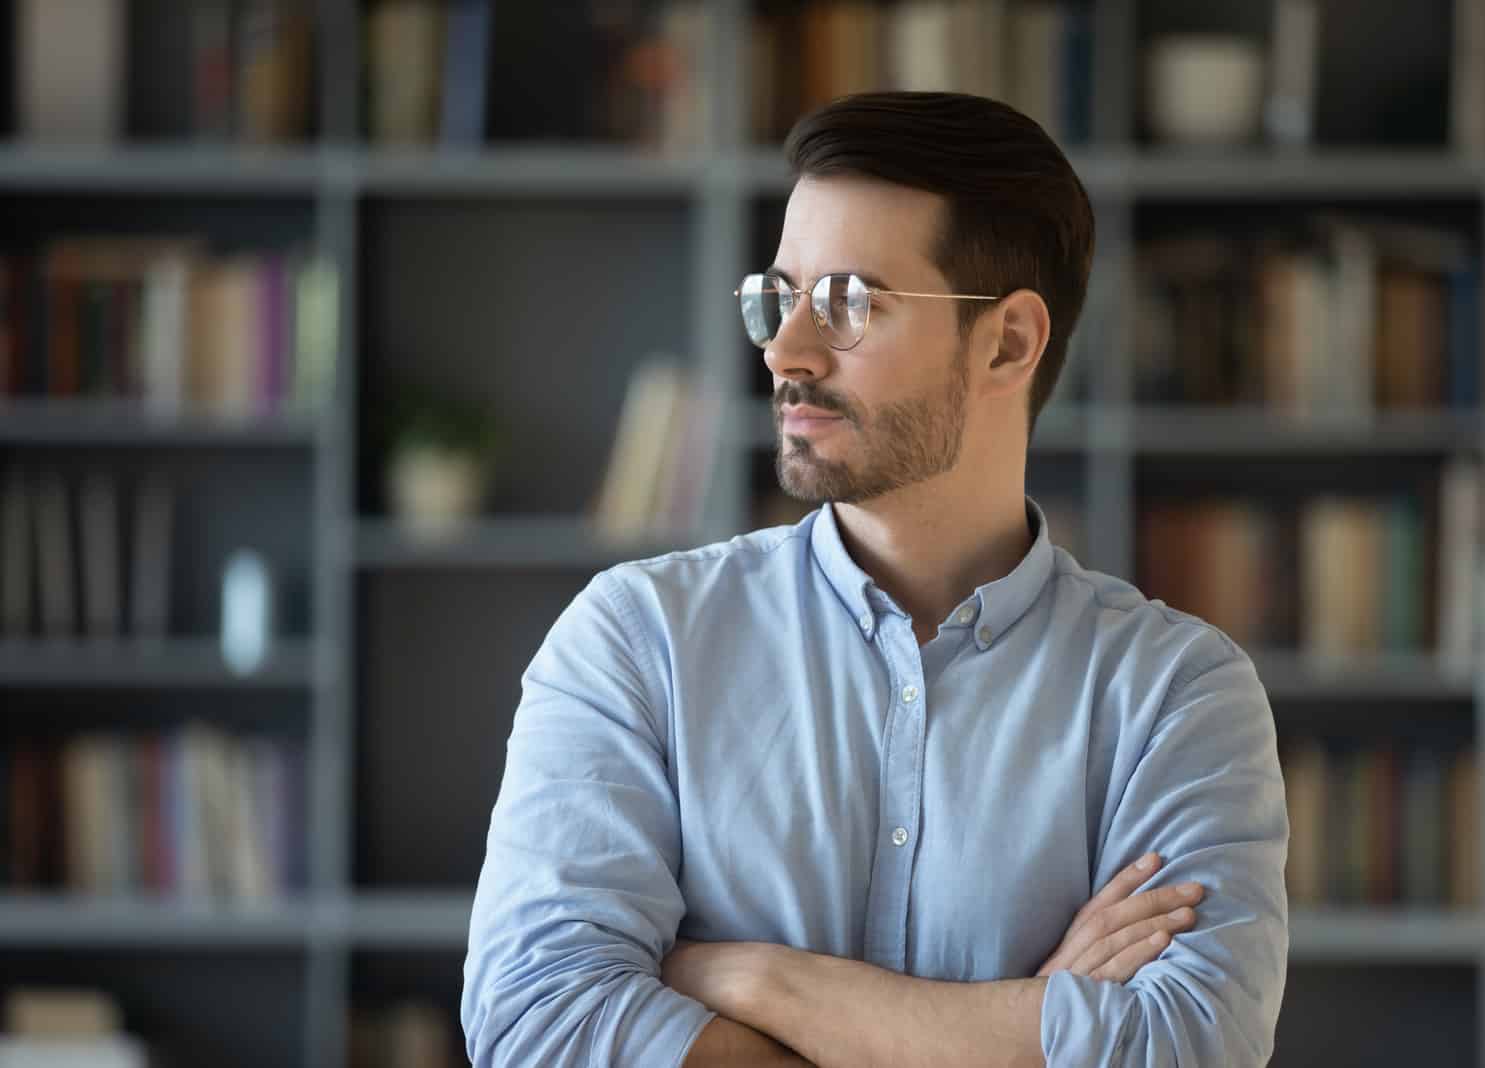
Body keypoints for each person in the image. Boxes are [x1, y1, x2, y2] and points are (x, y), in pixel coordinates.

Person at [461, 91, 1288, 1067]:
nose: (786, 351)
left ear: (1008, 342)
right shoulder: (639, 639)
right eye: (778, 295)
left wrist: (750, 978)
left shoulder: (1174, 692)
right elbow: (537, 1023)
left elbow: (1187, 1045)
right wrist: (1027, 1021)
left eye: (849, 302)